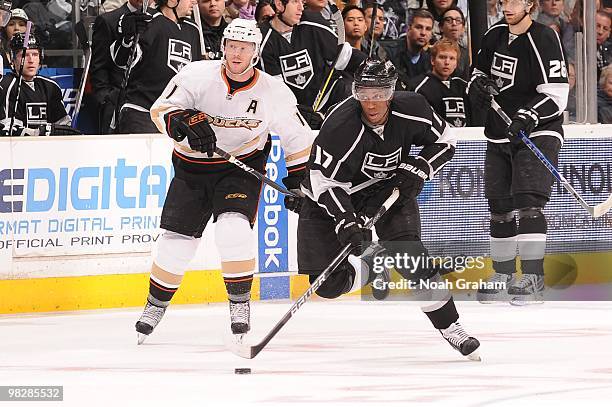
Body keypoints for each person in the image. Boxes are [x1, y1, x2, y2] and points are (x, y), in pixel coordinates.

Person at [140, 19, 314, 344]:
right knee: (175, 242)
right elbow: (160, 109)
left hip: (241, 167)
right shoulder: (196, 75)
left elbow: (298, 139)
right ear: (223, 47)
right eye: (232, 45)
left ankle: (239, 305)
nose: (237, 53)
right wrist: (185, 121)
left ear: (255, 52)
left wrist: (300, 181)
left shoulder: (273, 92)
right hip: (191, 168)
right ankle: (155, 305)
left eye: (244, 47)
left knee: (233, 229)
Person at [297, 58, 480, 360]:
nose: (372, 101)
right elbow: (323, 181)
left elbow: (446, 140)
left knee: (412, 258)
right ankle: (370, 264)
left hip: (389, 190)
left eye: (380, 93)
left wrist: (420, 166)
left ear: (392, 91)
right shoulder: (339, 125)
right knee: (326, 286)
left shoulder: (414, 108)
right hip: (335, 195)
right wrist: (346, 221)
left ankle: (453, 329)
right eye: (365, 92)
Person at [468, 0, 569, 304]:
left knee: (528, 203)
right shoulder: (494, 35)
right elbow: (477, 72)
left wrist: (528, 115)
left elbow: (557, 93)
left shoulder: (544, 38)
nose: (506, 6)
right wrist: (478, 85)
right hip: (500, 130)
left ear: (530, 4)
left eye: (513, 0)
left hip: (537, 131)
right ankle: (502, 273)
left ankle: (534, 277)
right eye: (502, 1)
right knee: (499, 207)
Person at [259, 0, 365, 128]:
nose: (301, 7)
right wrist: (301, 115)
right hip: (293, 116)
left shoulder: (311, 21)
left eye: (301, 2)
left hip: (329, 98)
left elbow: (345, 56)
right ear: (279, 4)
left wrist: (372, 65)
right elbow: (277, 92)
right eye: (294, 2)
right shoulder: (263, 40)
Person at [111, 0, 201, 134]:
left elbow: (197, 73)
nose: (195, 1)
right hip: (142, 112)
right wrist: (127, 38)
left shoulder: (193, 29)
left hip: (176, 116)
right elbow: (121, 61)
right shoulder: (146, 20)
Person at [91, 0, 154, 135]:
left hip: (151, 104)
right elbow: (99, 66)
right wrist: (107, 99)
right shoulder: (109, 20)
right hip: (117, 104)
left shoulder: (163, 22)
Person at [0, 32, 80, 137]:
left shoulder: (50, 86)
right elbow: (5, 127)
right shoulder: (6, 85)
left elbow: (63, 123)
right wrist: (35, 133)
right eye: (24, 55)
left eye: (35, 55)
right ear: (13, 59)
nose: (31, 60)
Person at [410, 39, 470, 126]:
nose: (447, 62)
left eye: (452, 58)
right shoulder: (419, 87)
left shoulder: (464, 87)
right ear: (432, 60)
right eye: (442, 57)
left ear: (456, 64)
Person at [388, 9, 434, 88]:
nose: (423, 33)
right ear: (408, 29)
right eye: (419, 27)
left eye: (428, 29)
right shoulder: (389, 53)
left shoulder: (430, 60)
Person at [439, 7, 469, 80]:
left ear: (463, 29)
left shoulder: (465, 54)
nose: (454, 23)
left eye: (458, 21)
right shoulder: (432, 50)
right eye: (449, 20)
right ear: (441, 27)